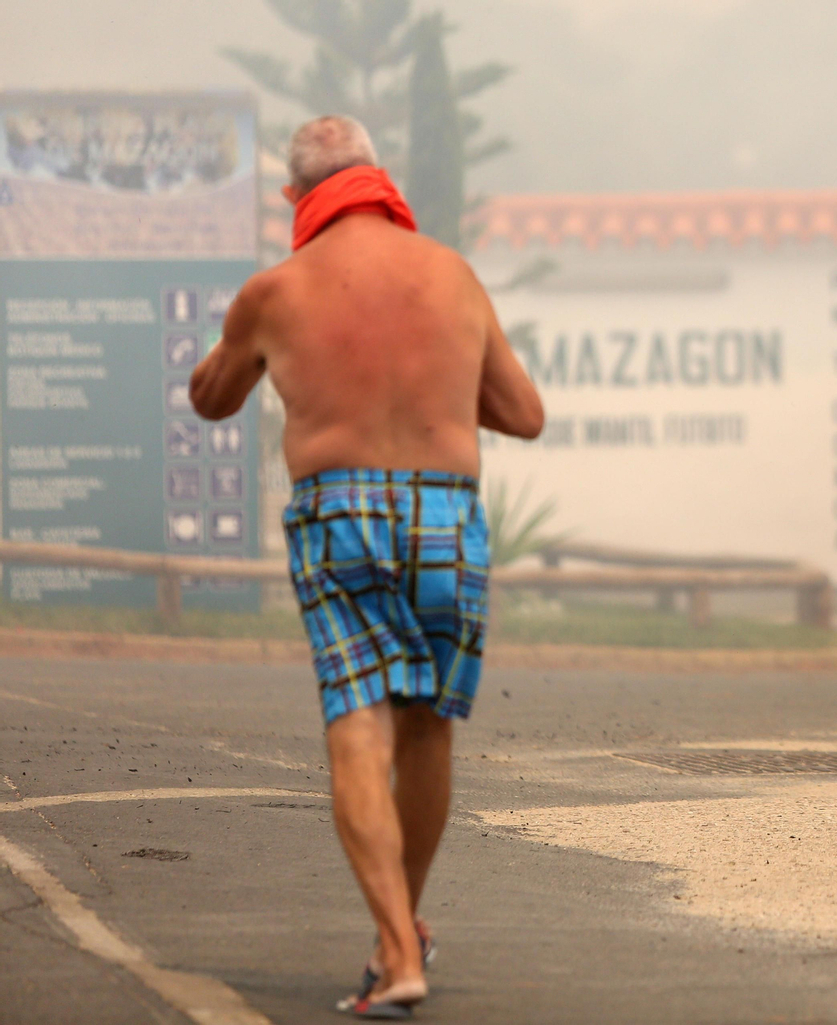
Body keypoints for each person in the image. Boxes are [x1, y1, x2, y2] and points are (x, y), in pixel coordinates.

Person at [190, 115, 545, 1018]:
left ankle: (396, 948)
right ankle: (404, 930)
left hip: (341, 513)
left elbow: (213, 398)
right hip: (446, 513)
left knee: (357, 724)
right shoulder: (454, 277)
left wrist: (239, 349)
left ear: (294, 197)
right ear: (380, 179)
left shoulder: (275, 291)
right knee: (427, 729)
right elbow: (523, 412)